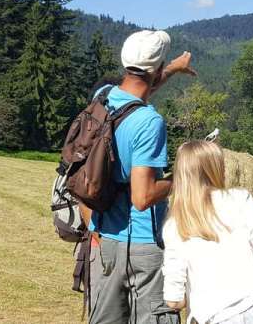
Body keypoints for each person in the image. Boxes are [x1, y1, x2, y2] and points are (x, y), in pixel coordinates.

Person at [83, 29, 195, 324]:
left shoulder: (102, 99)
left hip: (102, 240)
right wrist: (184, 177)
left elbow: (137, 93)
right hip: (143, 245)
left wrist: (172, 69)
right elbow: (142, 197)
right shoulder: (149, 122)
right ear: (156, 68)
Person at [160, 140, 253, 324]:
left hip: (217, 316)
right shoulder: (240, 198)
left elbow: (174, 300)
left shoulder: (174, 226)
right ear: (216, 169)